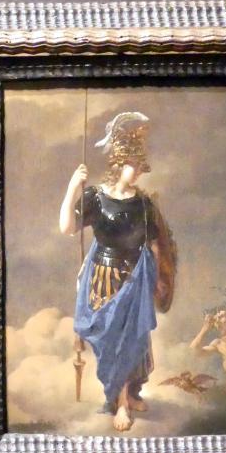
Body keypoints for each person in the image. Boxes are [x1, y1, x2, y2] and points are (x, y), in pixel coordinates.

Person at [58, 112, 176, 431]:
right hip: (104, 278)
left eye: (140, 166)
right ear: (119, 163)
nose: (137, 172)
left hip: (135, 277)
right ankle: (118, 401)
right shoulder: (96, 197)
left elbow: (154, 244)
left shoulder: (143, 204)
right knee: (113, 340)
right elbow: (67, 227)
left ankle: (128, 397)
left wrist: (157, 278)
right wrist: (72, 187)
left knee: (132, 339)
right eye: (133, 165)